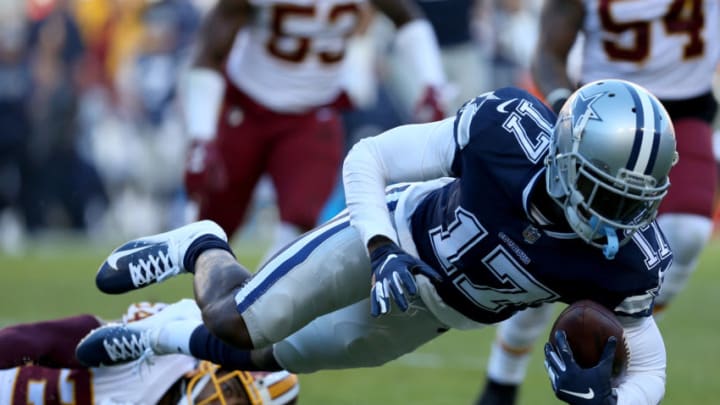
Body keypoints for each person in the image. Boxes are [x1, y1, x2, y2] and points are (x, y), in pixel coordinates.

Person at [77, 79, 676, 405]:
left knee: (268, 358)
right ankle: (202, 246)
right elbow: (372, 156)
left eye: (634, 202)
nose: (619, 218)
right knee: (239, 321)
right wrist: (381, 248)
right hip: (394, 236)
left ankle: (153, 332)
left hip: (439, 312)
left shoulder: (629, 258)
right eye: (607, 194)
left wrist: (607, 402)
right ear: (567, 158)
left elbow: (650, 365)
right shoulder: (506, 132)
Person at [475, 1, 720, 404]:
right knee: (547, 252)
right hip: (604, 117)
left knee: (690, 231)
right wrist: (563, 107)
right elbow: (550, 51)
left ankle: (621, 337)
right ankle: (502, 379)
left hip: (685, 112)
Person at [181, 0, 447, 259]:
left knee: (300, 219)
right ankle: (186, 296)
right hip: (248, 107)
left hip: (312, 113)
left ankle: (251, 298)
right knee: (214, 220)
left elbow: (406, 16)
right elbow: (211, 51)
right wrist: (201, 138)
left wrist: (432, 84)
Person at [0, 300, 299, 405]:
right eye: (232, 389)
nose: (223, 403)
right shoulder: (160, 354)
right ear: (213, 366)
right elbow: (49, 338)